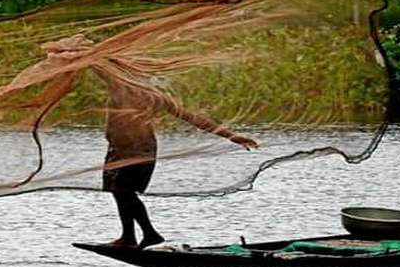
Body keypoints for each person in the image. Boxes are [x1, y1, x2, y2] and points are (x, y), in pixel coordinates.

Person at [39, 34, 258, 250]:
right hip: (119, 148)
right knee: (118, 191)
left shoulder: (132, 89)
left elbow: (193, 118)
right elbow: (99, 63)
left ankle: (149, 234)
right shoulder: (132, 88)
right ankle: (129, 237)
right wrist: (73, 52)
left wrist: (232, 136)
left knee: (124, 191)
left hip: (137, 149)